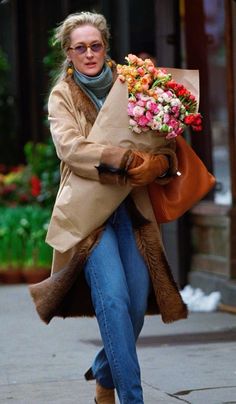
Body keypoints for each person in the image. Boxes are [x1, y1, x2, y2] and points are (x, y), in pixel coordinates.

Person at [29, 11, 187, 404]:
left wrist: (159, 163)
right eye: (79, 48)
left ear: (106, 46)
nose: (88, 54)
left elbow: (164, 143)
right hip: (90, 215)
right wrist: (129, 161)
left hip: (133, 212)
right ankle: (131, 398)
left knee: (134, 307)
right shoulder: (62, 95)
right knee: (113, 300)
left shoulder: (136, 84)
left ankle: (104, 370)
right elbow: (71, 148)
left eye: (95, 45)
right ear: (68, 52)